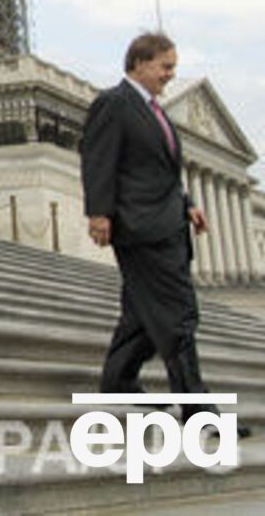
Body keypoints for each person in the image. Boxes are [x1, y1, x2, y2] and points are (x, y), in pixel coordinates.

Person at [81, 32, 248, 437]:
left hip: (166, 223)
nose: (170, 76)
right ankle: (199, 412)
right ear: (139, 63)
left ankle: (118, 381)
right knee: (178, 316)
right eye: (165, 67)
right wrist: (99, 212)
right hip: (141, 228)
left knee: (141, 316)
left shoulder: (155, 111)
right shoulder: (115, 103)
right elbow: (97, 157)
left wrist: (187, 203)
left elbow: (159, 172)